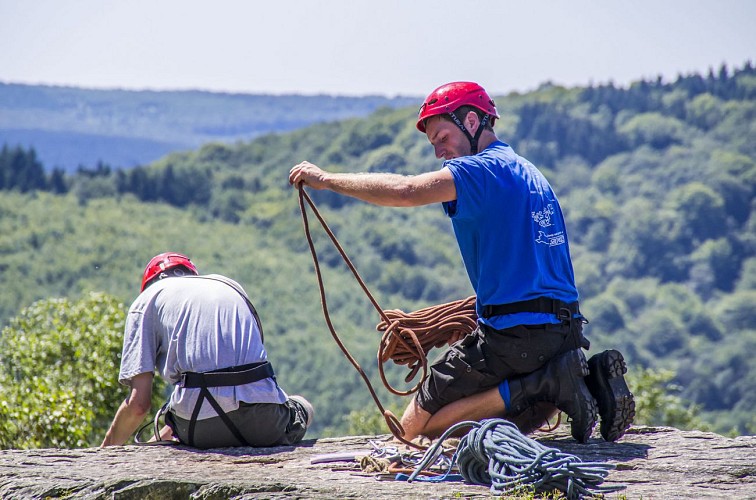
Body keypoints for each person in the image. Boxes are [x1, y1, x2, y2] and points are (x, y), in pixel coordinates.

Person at [289, 81, 634, 443]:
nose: (439, 151)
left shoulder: (480, 171)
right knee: (499, 423)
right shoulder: (530, 173)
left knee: (412, 431)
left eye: (442, 137)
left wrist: (326, 180)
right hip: (565, 333)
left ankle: (543, 384)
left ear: (472, 122)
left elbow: (405, 191)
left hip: (517, 336)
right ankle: (582, 381)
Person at [102, 252, 313, 449]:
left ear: (148, 284)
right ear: (192, 275)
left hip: (198, 428)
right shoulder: (228, 285)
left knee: (184, 402)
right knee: (304, 406)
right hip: (264, 423)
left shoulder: (145, 301)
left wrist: (105, 454)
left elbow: (139, 405)